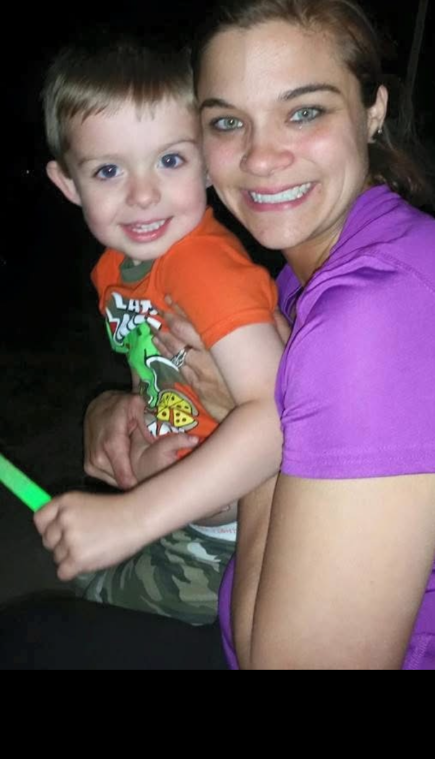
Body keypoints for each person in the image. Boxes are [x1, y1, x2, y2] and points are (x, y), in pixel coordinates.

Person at [14, 0, 435, 669]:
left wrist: (251, 430)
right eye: (227, 122)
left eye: (304, 112)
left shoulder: (377, 310)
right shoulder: (304, 275)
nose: (259, 157)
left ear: (372, 111)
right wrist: (118, 407)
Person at [40, 31, 282, 624]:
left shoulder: (202, 266)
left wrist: (134, 515)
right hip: (183, 496)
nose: (144, 195)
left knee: (94, 609)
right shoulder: (114, 269)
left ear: (207, 162)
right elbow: (158, 377)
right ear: (68, 184)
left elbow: (278, 418)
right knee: (89, 578)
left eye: (170, 160)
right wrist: (145, 448)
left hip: (240, 527)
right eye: (108, 171)